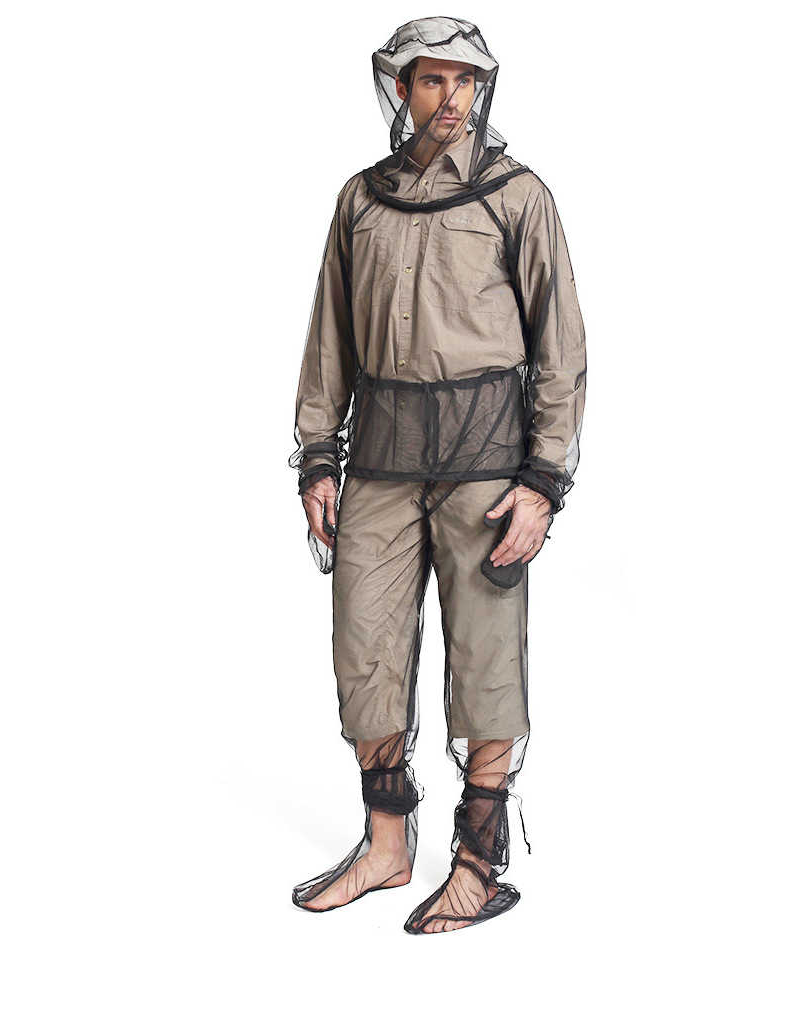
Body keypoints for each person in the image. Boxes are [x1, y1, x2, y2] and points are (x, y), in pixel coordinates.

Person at [289, 16, 586, 934]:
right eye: (431, 79)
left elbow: (561, 347)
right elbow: (330, 339)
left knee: (486, 663)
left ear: (480, 89)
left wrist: (543, 481)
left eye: (465, 80)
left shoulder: (517, 196)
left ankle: (477, 865)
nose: (450, 97)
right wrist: (318, 456)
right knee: (364, 653)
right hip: (380, 463)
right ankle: (386, 846)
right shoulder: (361, 200)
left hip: (485, 468)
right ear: (402, 87)